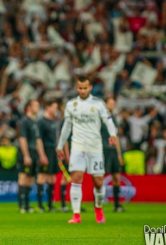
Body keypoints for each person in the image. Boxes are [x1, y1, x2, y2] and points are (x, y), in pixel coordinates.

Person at [56, 76, 117, 224]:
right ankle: (76, 215)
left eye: (85, 88)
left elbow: (108, 120)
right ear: (77, 88)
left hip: (95, 147)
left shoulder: (98, 104)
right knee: (76, 179)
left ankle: (98, 208)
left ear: (90, 88)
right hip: (77, 146)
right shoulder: (71, 105)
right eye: (80, 88)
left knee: (98, 182)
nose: (83, 91)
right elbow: (67, 126)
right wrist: (60, 145)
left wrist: (113, 134)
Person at [17, 100, 48, 213]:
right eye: (36, 105)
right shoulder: (24, 121)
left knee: (30, 179)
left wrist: (42, 155)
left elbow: (38, 140)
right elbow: (22, 138)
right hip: (27, 152)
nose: (38, 107)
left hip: (35, 152)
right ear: (29, 108)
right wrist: (26, 155)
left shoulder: (35, 122)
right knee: (23, 177)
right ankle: (21, 206)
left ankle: (27, 205)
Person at [100, 97, 125, 212]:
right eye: (110, 103)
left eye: (113, 103)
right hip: (103, 150)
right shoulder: (100, 118)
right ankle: (98, 204)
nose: (112, 105)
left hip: (113, 151)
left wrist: (119, 154)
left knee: (116, 177)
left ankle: (116, 204)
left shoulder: (113, 119)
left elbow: (116, 137)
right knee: (100, 177)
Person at [36, 100, 59, 212]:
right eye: (54, 107)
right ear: (48, 107)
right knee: (42, 176)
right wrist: (42, 155)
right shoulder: (41, 121)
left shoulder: (54, 122)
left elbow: (55, 139)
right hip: (45, 150)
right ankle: (40, 206)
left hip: (53, 152)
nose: (56, 110)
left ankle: (50, 205)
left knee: (52, 178)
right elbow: (38, 139)